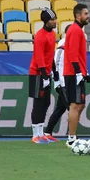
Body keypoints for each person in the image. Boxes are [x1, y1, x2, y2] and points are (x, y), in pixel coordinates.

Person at [64, 4, 90, 147]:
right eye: (85, 13)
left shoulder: (78, 30)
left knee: (80, 105)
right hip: (72, 73)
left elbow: (78, 55)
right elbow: (72, 53)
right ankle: (71, 138)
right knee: (75, 105)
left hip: (77, 72)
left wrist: (85, 73)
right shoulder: (75, 30)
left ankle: (72, 135)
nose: (88, 16)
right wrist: (77, 72)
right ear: (78, 16)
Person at [29, 8, 57, 144]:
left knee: (46, 103)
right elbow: (39, 58)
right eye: (52, 19)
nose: (55, 21)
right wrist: (44, 76)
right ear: (46, 21)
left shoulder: (52, 34)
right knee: (38, 103)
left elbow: (50, 55)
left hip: (47, 73)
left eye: (55, 19)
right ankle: (35, 135)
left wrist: (55, 72)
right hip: (37, 73)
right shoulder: (40, 35)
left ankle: (41, 133)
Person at [45, 24, 72, 139]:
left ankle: (47, 132)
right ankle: (73, 135)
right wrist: (57, 81)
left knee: (60, 108)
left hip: (69, 81)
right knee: (72, 108)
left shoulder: (73, 44)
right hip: (63, 82)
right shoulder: (63, 45)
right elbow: (55, 63)